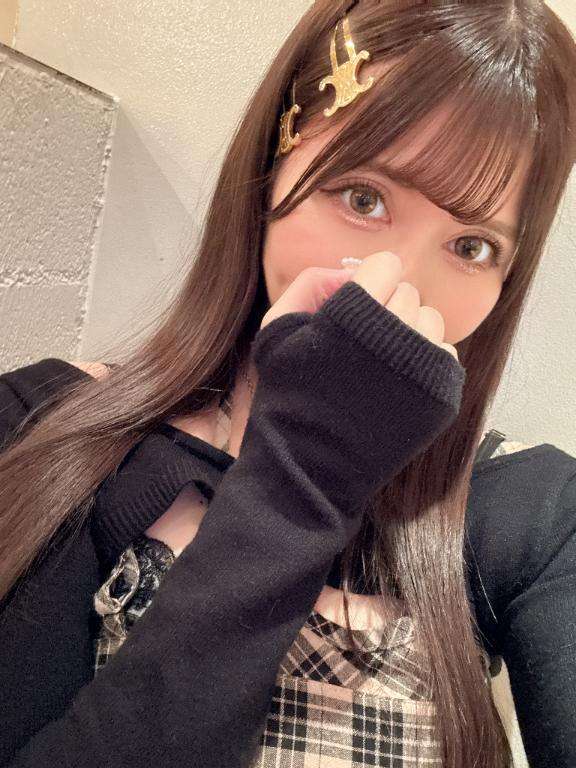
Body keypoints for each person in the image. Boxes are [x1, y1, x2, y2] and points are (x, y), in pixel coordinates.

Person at [1, 1, 575, 766]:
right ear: (271, 173)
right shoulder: (43, 424)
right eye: (364, 198)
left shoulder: (534, 512)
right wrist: (304, 473)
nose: (394, 281)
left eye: (471, 245)